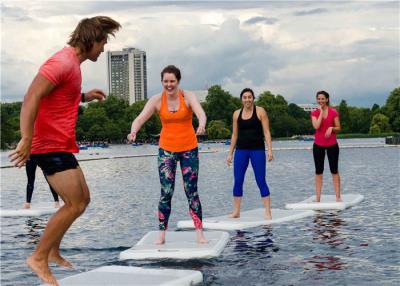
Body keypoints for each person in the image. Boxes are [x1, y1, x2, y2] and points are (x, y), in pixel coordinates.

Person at [9, 16, 121, 285]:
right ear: (91, 38)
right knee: (76, 203)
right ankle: (38, 257)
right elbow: (31, 96)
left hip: (59, 143)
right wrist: (26, 138)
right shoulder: (61, 62)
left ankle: (53, 251)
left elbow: (57, 95)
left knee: (83, 199)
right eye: (103, 42)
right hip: (48, 145)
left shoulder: (73, 65)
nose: (103, 48)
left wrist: (84, 97)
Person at [127, 65, 208, 245]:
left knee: (191, 191)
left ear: (178, 81)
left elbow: (200, 112)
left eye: (172, 81)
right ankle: (161, 234)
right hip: (166, 151)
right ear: (162, 82)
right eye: (166, 81)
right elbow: (140, 118)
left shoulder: (187, 96)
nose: (169, 85)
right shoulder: (157, 100)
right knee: (166, 192)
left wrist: (201, 124)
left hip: (189, 149)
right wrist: (133, 132)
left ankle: (199, 233)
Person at [226, 88, 273, 220]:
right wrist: (230, 153)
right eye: (245, 97)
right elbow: (234, 134)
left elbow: (267, 132)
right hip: (241, 151)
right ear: (241, 99)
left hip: (257, 150)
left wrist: (270, 150)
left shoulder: (260, 111)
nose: (247, 99)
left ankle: (267, 211)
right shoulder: (236, 114)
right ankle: (236, 211)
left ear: (253, 98)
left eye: (249, 97)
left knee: (260, 180)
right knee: (238, 181)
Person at [310, 90, 342, 202]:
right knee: (319, 171)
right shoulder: (314, 113)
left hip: (332, 145)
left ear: (327, 99)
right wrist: (320, 113)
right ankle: (318, 198)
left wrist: (331, 128)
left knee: (334, 170)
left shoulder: (333, 112)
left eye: (322, 98)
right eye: (318, 99)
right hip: (318, 145)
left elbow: (339, 127)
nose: (320, 101)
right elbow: (316, 126)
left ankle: (338, 197)